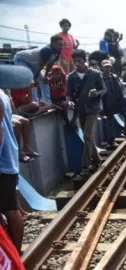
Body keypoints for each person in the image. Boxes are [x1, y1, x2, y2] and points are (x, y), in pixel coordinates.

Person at [0, 65, 34, 256]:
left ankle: (14, 253)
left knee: (10, 209)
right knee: (10, 207)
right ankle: (12, 252)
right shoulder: (3, 94)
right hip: (8, 159)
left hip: (2, 164)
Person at [67, 49, 107, 176]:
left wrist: (97, 94)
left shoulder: (95, 74)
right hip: (80, 109)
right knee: (89, 137)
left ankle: (85, 166)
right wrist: (69, 102)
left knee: (87, 135)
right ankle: (97, 160)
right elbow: (68, 94)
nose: (76, 63)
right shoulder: (71, 77)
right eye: (75, 61)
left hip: (93, 108)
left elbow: (103, 89)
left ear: (85, 60)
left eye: (79, 61)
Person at [13, 35, 64, 103]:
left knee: (44, 81)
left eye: (62, 45)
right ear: (53, 44)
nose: (62, 47)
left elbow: (50, 64)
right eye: (60, 45)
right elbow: (41, 65)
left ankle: (47, 102)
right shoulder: (46, 50)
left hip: (33, 64)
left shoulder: (58, 52)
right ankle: (34, 102)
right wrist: (35, 78)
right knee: (31, 82)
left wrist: (46, 76)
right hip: (21, 59)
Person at [101, 59, 126, 149]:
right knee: (110, 123)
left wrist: (124, 97)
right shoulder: (100, 78)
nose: (108, 68)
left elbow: (120, 88)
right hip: (107, 103)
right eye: (106, 67)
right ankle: (111, 142)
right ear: (102, 67)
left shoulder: (114, 76)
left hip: (118, 102)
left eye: (109, 66)